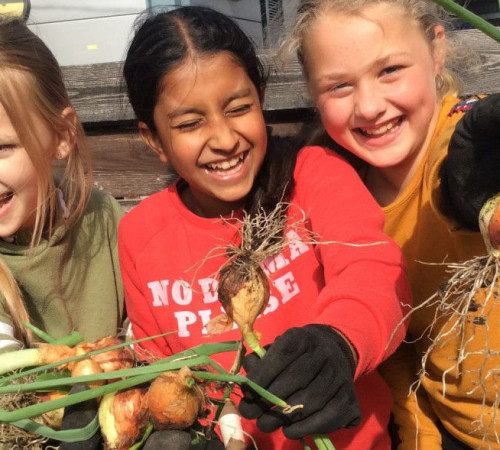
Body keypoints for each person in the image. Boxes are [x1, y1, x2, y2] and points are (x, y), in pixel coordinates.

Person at [119, 6, 411, 449]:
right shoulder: (140, 235)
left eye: (238, 108)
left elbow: (375, 271)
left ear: (261, 99)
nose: (224, 138)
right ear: (154, 139)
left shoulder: (314, 175)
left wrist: (337, 343)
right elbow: (159, 371)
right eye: (190, 124)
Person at [281, 0, 500, 448]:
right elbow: (397, 346)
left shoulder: (473, 145)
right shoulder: (340, 194)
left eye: (390, 71)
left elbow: (473, 176)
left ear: (436, 51)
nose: (369, 106)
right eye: (339, 86)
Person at [0, 17, 125, 351]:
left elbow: (150, 325)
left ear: (60, 136)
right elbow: (12, 389)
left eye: (2, 148)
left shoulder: (103, 219)